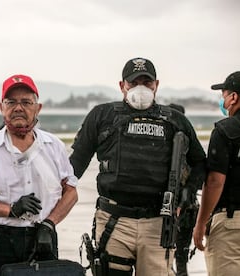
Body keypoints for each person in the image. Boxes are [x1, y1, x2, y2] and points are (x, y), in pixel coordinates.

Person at [69, 57, 206, 275]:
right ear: (122, 86)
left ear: (156, 85)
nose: (140, 88)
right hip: (114, 221)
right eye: (134, 83)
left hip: (158, 223)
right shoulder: (102, 116)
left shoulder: (175, 120)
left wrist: (187, 194)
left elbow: (200, 163)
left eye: (146, 82)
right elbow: (75, 164)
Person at [0, 74, 79, 276]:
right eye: (11, 102)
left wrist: (49, 224)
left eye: (26, 102)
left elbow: (71, 193)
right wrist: (10, 210)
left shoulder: (54, 145)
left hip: (43, 235)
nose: (18, 108)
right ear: (1, 107)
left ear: (38, 108)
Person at [193, 71, 240, 275]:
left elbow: (214, 182)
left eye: (224, 95)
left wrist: (201, 222)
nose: (223, 101)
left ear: (234, 97)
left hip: (231, 223)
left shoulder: (226, 130)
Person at [168, 103, 199, 276]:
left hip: (181, 209)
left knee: (171, 257)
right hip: (186, 209)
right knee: (180, 257)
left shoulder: (172, 147)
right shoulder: (187, 146)